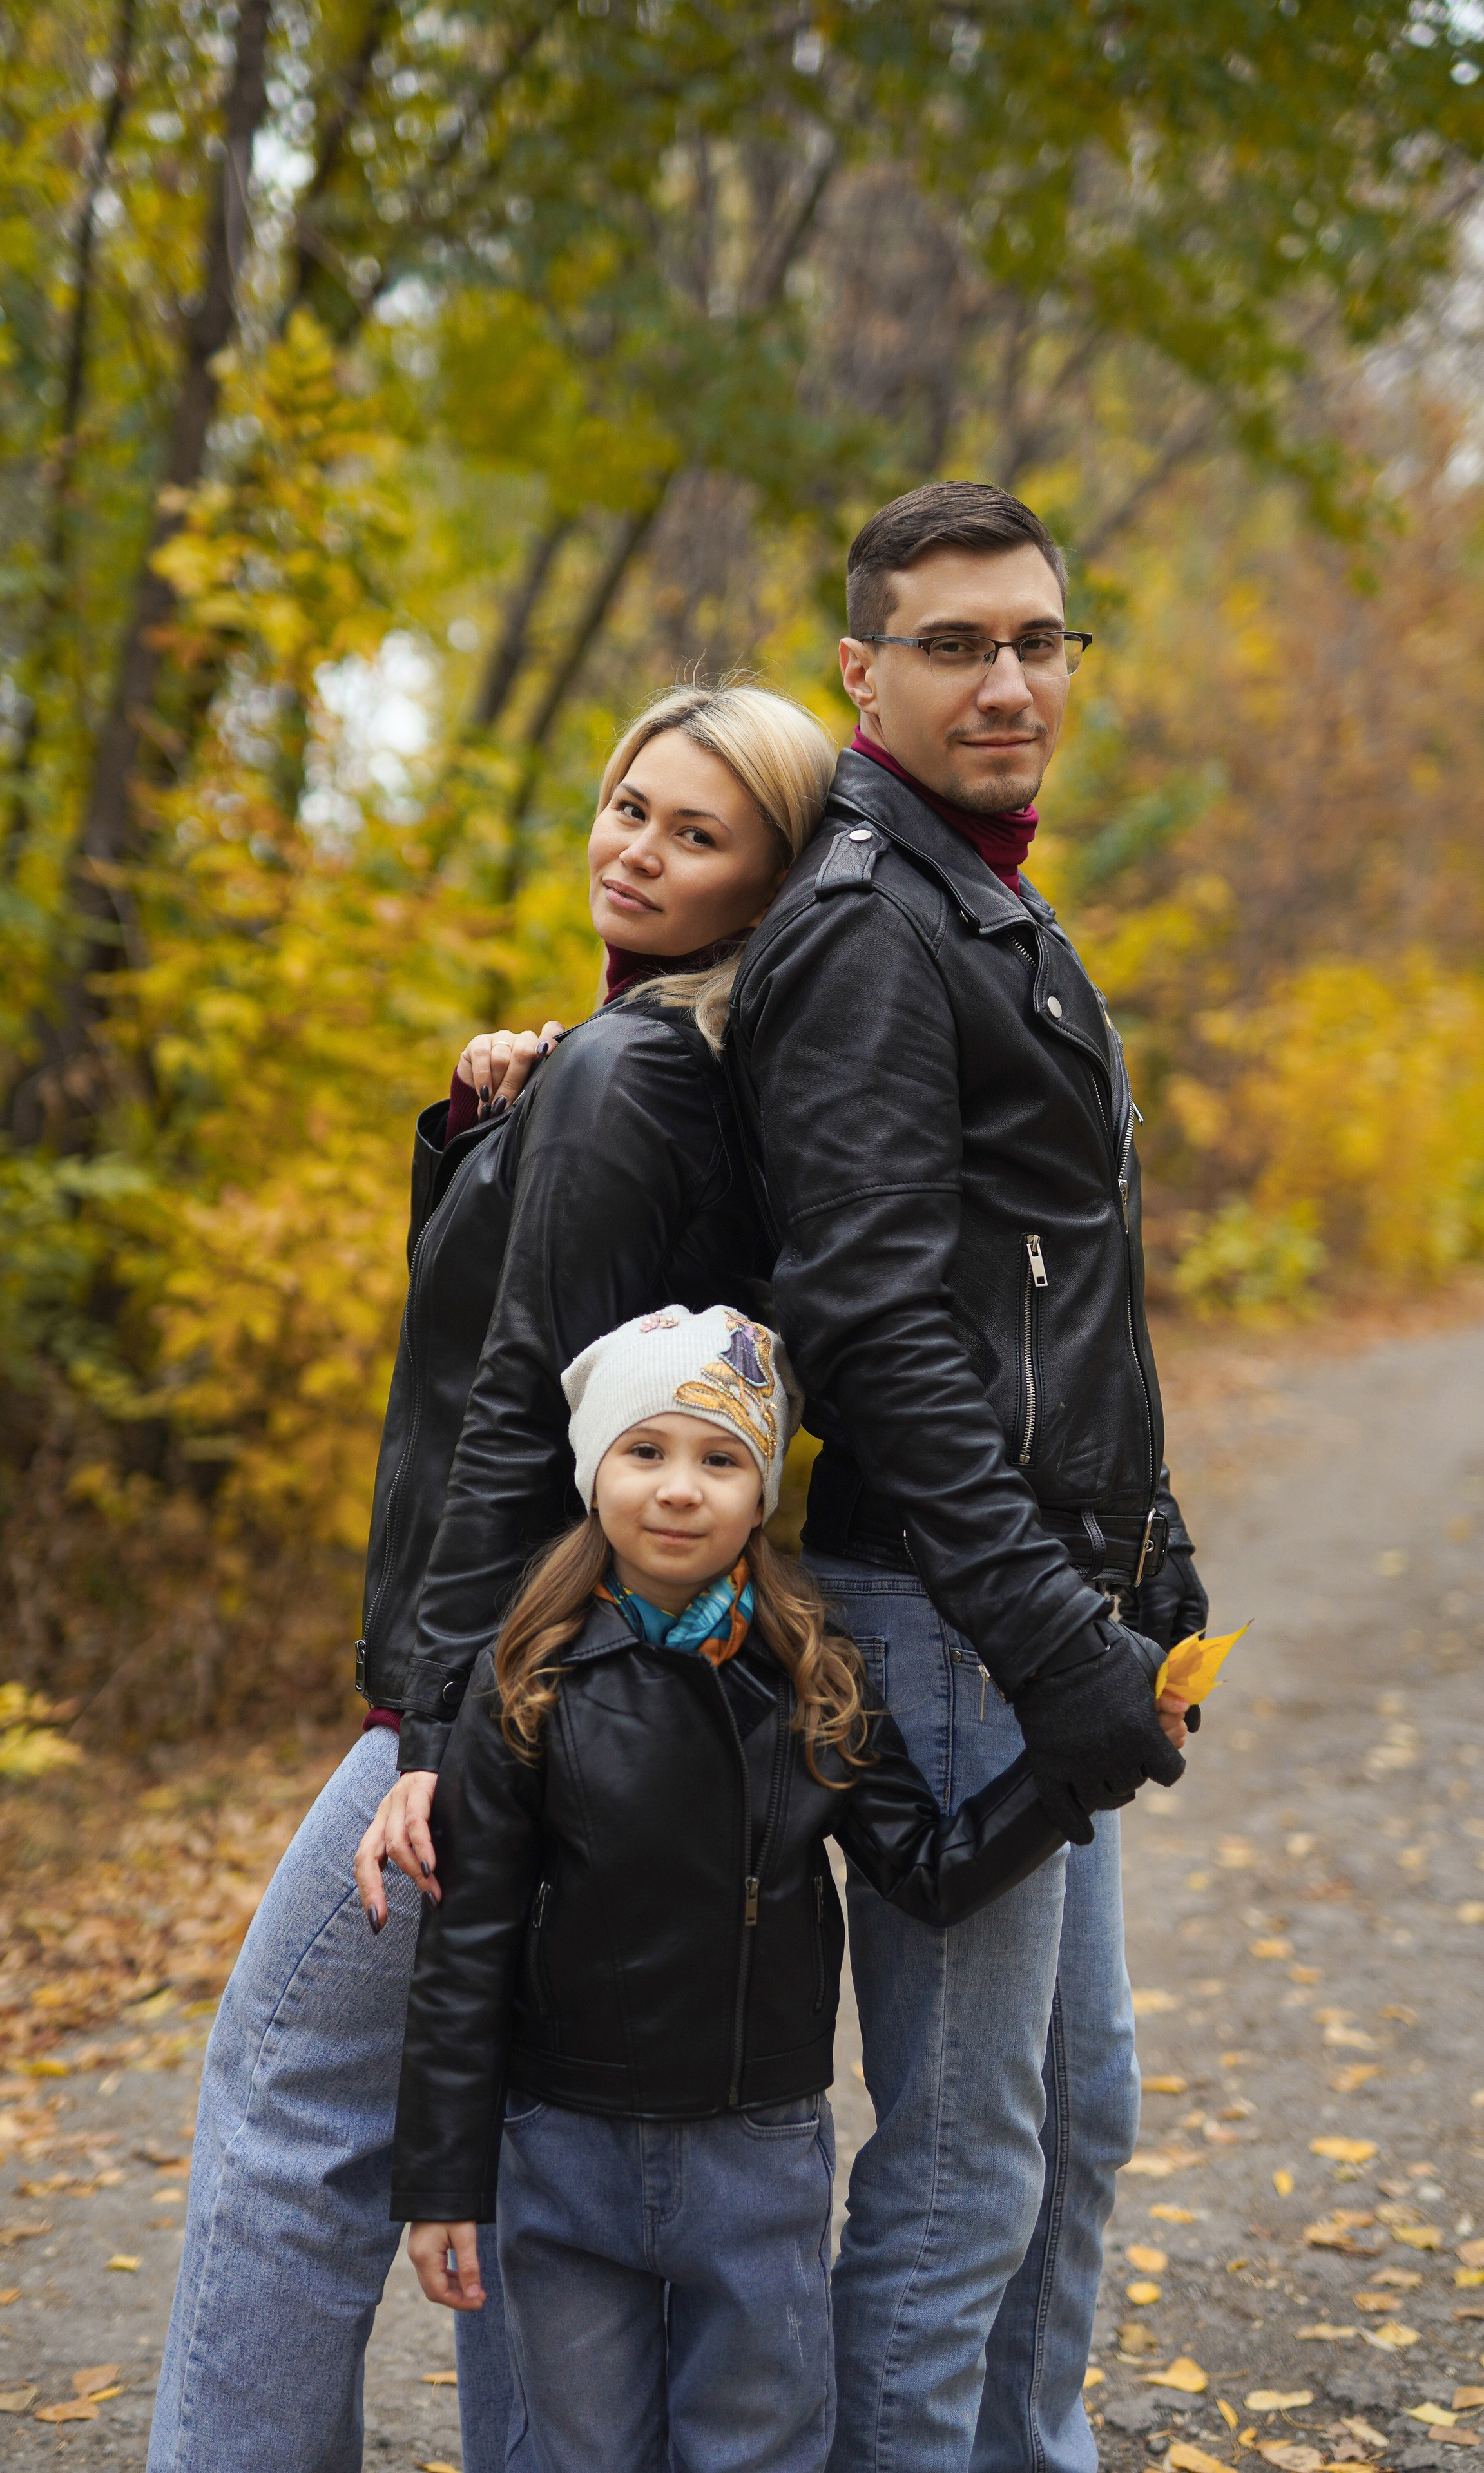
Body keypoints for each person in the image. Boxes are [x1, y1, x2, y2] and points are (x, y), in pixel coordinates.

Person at [145, 684, 838, 2473]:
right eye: (628, 805)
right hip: (590, 1664)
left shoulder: (637, 1072)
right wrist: (485, 1135)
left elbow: (511, 1420)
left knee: (291, 2085)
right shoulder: (665, 1060)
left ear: (773, 878)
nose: (639, 848)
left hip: (518, 1668)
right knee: (525, 2114)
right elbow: (511, 1341)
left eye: (700, 835)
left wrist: (439, 1716)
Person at [725, 481, 1209, 2473]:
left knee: (1071, 2116)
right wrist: (1046, 1631)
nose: (1009, 679)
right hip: (948, 1614)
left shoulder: (986, 894)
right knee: (954, 2161)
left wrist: (1150, 1559)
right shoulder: (868, 919)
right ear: (862, 673)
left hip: (1040, 1594)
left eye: (1038, 639)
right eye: (956, 644)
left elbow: (1058, 1285)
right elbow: (876, 1331)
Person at [394, 1305, 1167, 2473]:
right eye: (645, 1451)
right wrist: (444, 2180)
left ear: (762, 1492)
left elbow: (929, 1868)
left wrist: (1075, 1778)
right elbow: (470, 1944)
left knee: (758, 2443)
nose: (679, 1489)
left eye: (720, 1458)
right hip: (565, 2155)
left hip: (755, 2158)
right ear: (593, 1469)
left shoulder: (817, 1676)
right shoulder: (529, 1684)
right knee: (580, 2448)